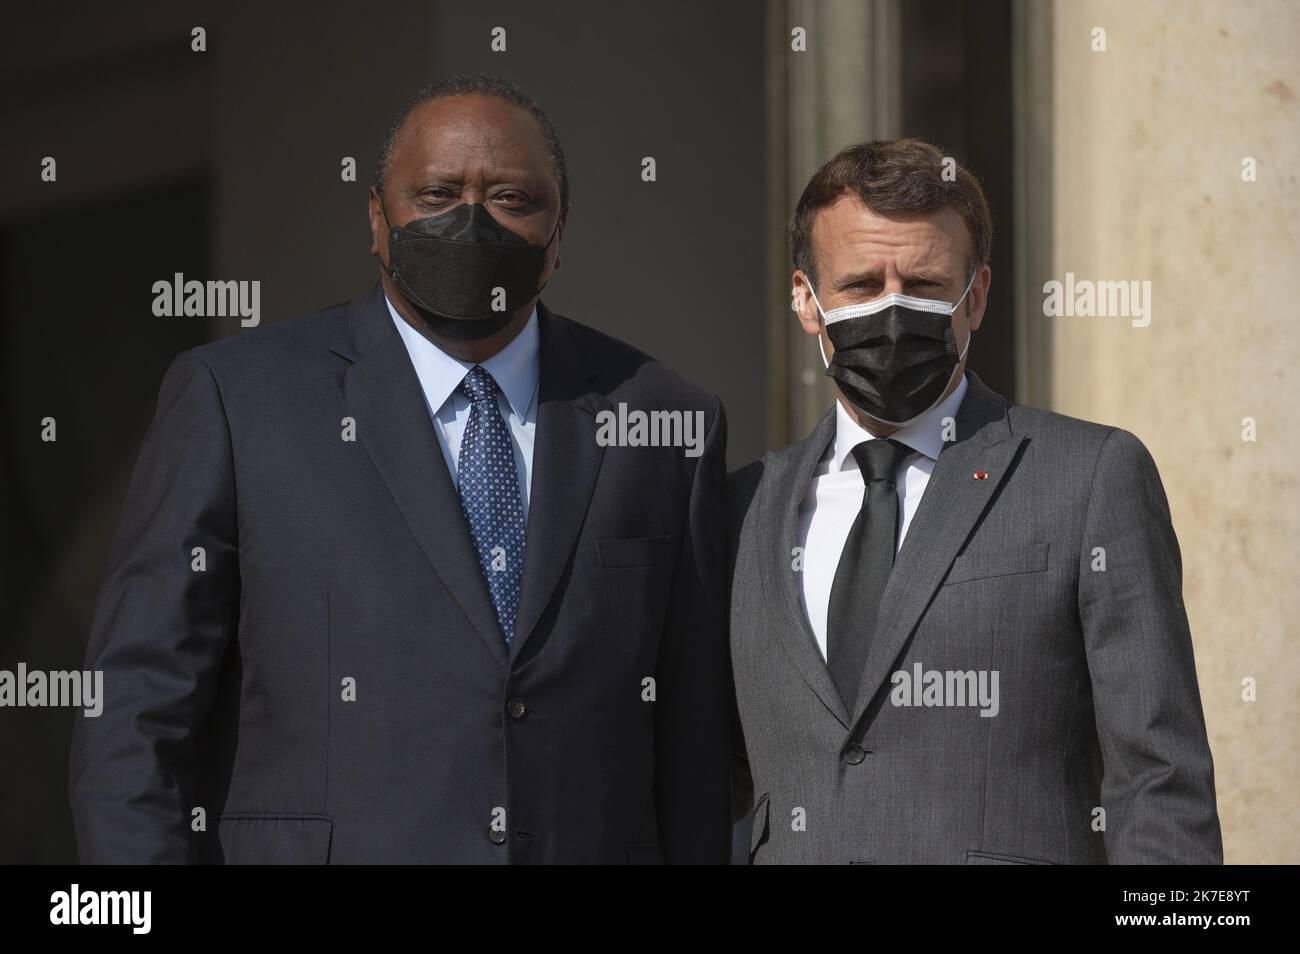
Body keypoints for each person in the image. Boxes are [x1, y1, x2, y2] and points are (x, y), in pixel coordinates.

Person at [69, 74, 731, 864]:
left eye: (513, 199)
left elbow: (692, 742)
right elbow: (136, 711)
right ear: (378, 219)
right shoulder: (237, 400)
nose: (471, 221)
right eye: (437, 194)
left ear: (559, 233)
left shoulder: (660, 418)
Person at [728, 139, 1222, 864]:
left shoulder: (1089, 477)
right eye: (862, 285)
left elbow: (1160, 779)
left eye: (924, 285)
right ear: (806, 299)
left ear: (978, 296)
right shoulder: (742, 508)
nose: (893, 312)